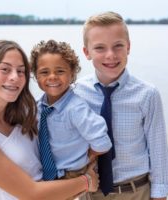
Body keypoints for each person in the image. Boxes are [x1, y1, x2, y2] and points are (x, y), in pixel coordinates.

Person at [0, 40, 99, 200]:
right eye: (5, 69)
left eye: (21, 71)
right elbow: (32, 194)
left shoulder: (24, 116)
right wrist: (86, 181)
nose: (14, 77)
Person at [74, 11, 168, 200]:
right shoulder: (75, 93)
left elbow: (158, 151)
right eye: (100, 48)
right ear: (86, 52)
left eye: (118, 46)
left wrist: (160, 195)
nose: (110, 55)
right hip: (90, 193)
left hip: (136, 191)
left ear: (128, 47)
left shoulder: (147, 94)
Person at [30, 39, 112, 199]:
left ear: (72, 74)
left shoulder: (76, 108)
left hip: (72, 176)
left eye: (60, 71)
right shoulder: (38, 107)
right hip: (47, 177)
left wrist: (87, 156)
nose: (52, 77)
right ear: (36, 76)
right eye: (44, 72)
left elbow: (102, 142)